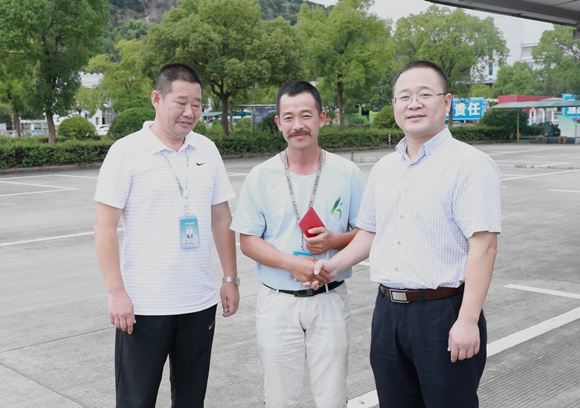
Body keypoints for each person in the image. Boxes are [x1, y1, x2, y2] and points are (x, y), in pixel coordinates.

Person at [309, 61, 502, 408]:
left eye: (424, 94)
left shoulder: (470, 165)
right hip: (388, 314)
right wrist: (332, 267)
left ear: (447, 102)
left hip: (444, 313)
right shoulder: (385, 168)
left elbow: (484, 247)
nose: (414, 104)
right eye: (404, 96)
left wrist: (468, 319)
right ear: (394, 105)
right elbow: (369, 233)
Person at [94, 63, 239, 408]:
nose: (190, 112)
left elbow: (221, 218)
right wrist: (116, 292)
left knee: (191, 399)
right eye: (181, 102)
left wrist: (230, 278)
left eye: (197, 104)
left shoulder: (207, 149)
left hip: (198, 302)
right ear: (157, 99)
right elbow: (104, 226)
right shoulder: (126, 152)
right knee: (136, 400)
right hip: (143, 306)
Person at [230, 80, 366, 408]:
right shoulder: (261, 176)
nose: (298, 125)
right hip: (278, 302)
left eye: (306, 115)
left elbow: (366, 232)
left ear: (322, 118)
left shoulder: (347, 173)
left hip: (330, 298)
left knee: (332, 397)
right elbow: (248, 241)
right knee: (279, 398)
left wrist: (336, 240)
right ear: (278, 123)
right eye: (289, 117)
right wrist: (293, 263)